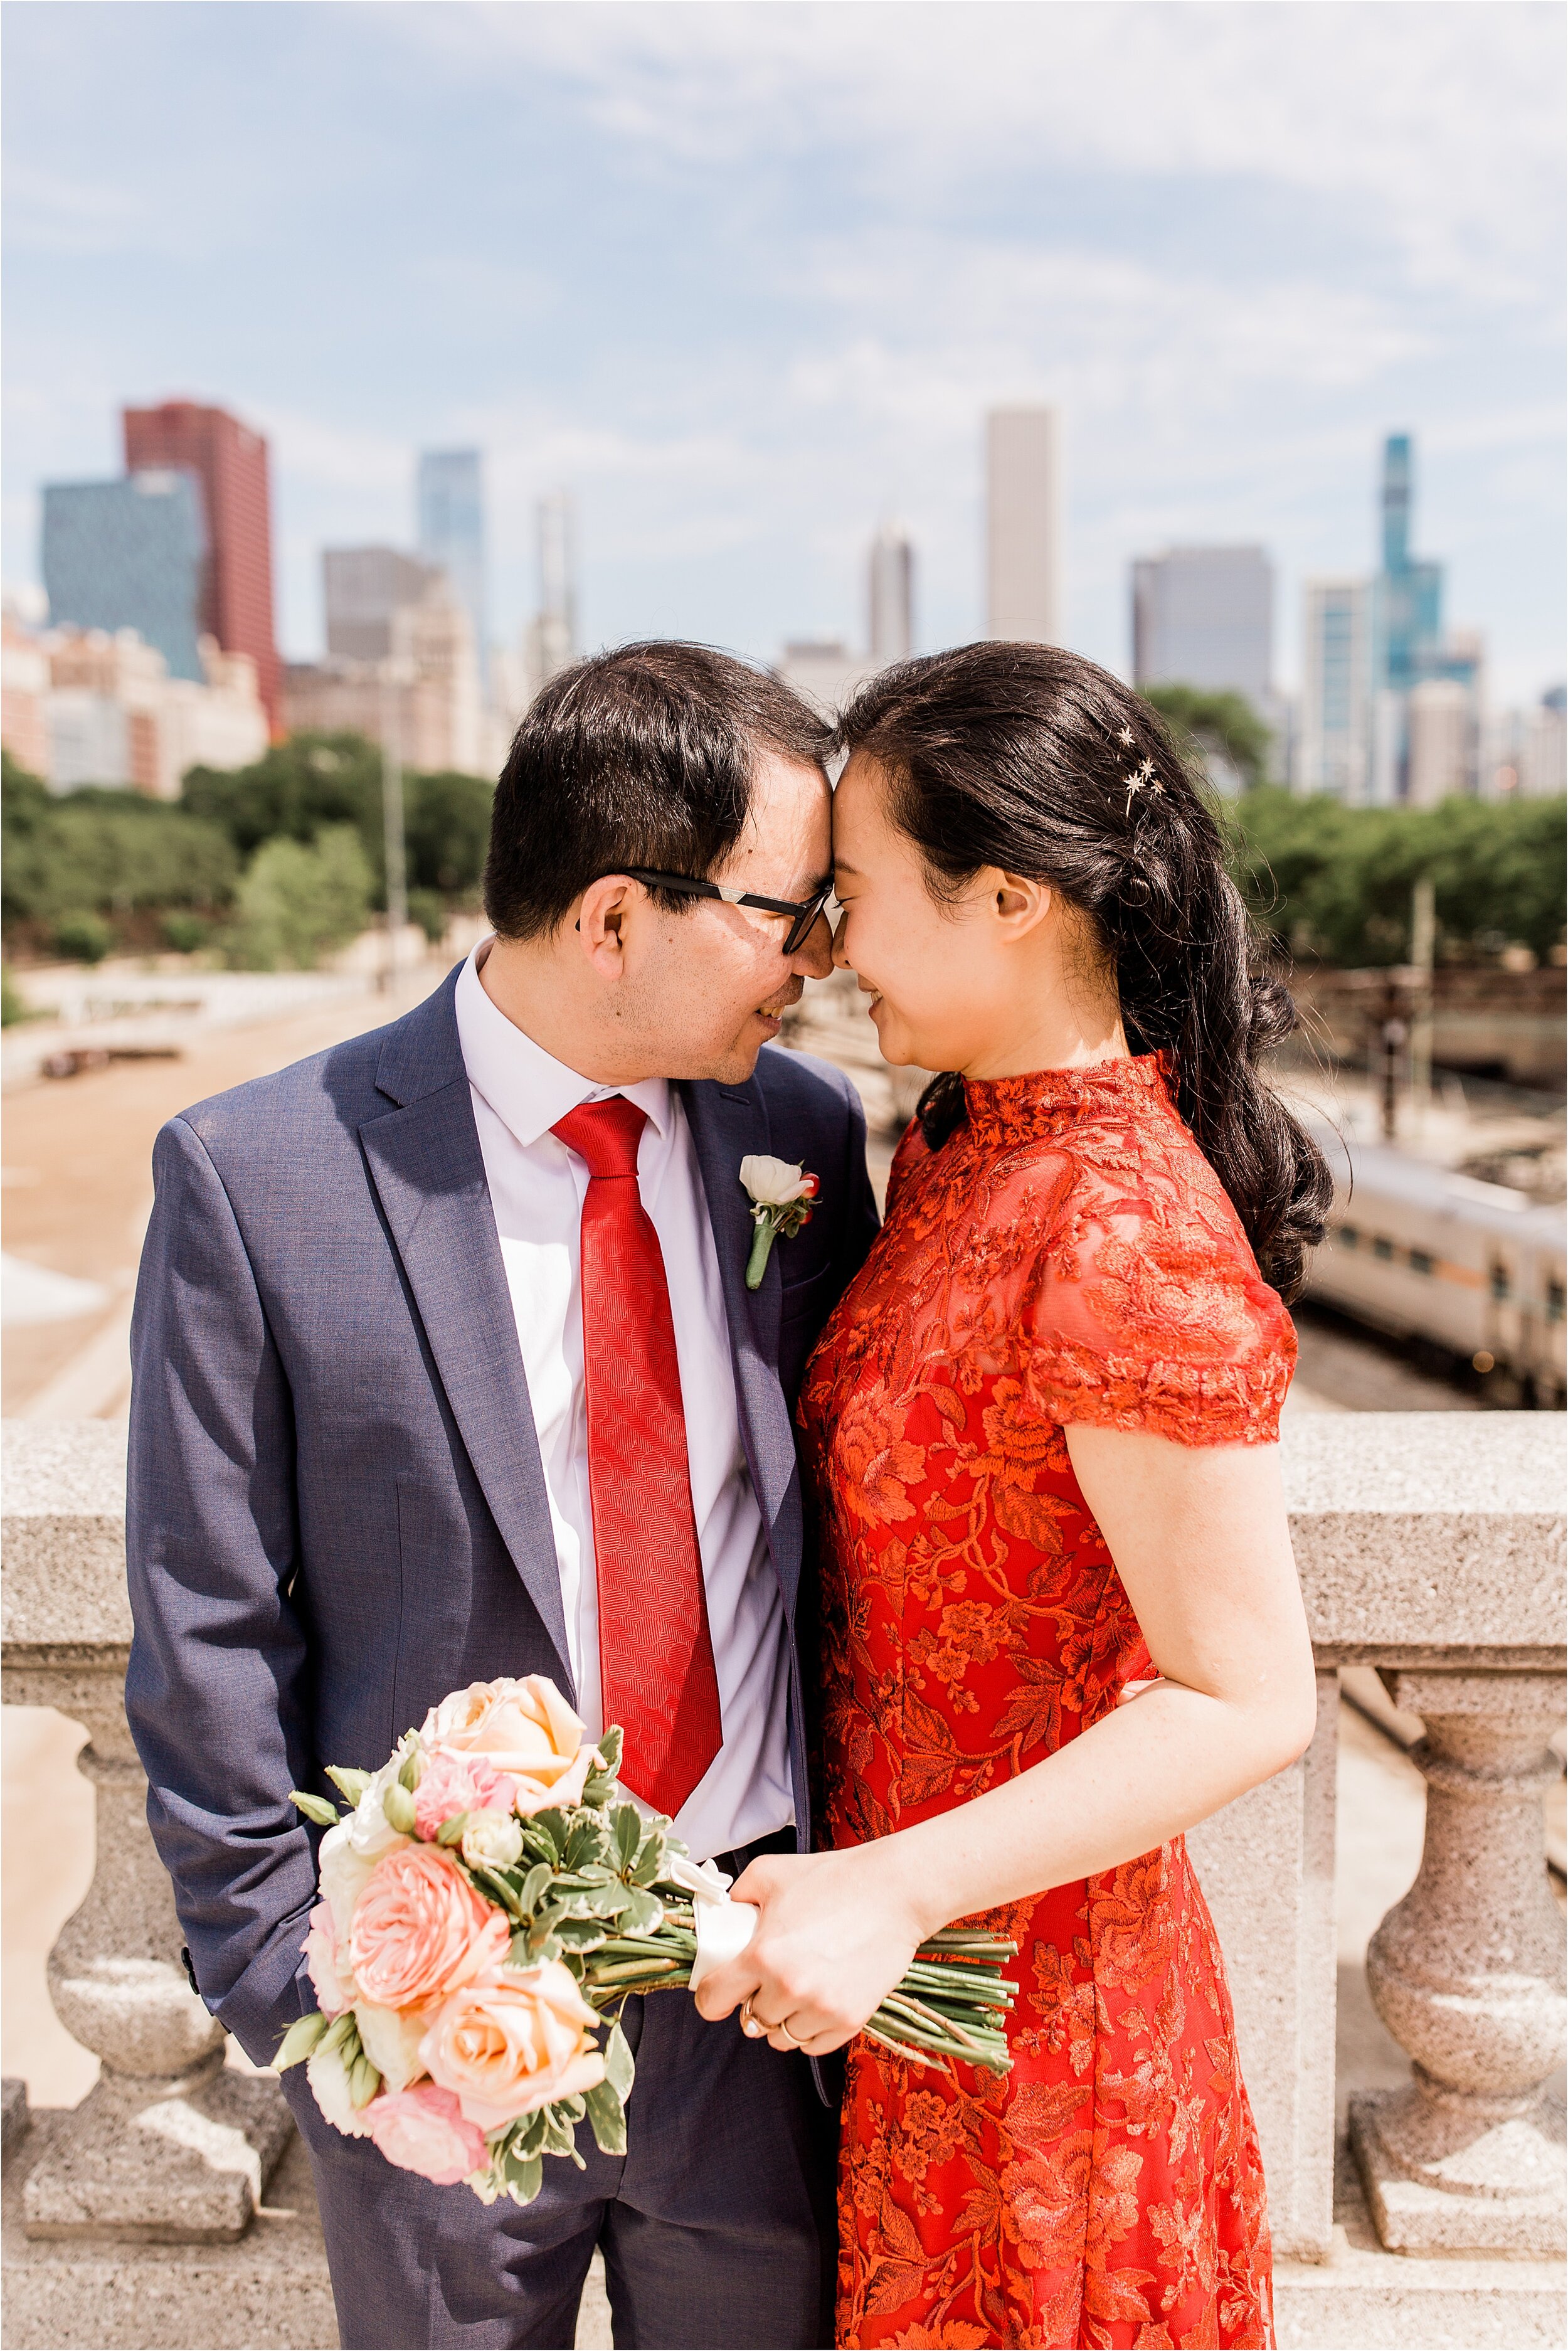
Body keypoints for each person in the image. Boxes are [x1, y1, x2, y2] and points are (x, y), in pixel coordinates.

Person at [124, 642, 879, 2351]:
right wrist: (304, 1998)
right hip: (438, 2024)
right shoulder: (260, 1177)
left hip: (760, 1994)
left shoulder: (805, 1138)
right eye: (787, 909)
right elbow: (205, 1618)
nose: (817, 959)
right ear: (615, 915)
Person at [694, 642, 1331, 2350]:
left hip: (1045, 2042)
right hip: (910, 2001)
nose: (823, 948)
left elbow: (1246, 1693)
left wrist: (893, 1888)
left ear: (1007, 899)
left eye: (854, 893)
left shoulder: (1119, 1222)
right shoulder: (963, 1140)